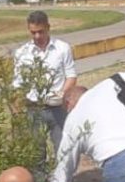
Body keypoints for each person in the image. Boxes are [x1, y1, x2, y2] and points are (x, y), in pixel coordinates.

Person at [12, 11, 77, 155]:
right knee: (37, 153)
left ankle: (63, 178)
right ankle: (40, 178)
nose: (37, 36)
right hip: (33, 109)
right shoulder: (22, 53)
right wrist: (17, 106)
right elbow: (18, 83)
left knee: (63, 150)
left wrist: (62, 93)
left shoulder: (62, 48)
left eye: (41, 32)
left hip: (57, 108)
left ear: (48, 27)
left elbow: (71, 75)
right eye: (33, 32)